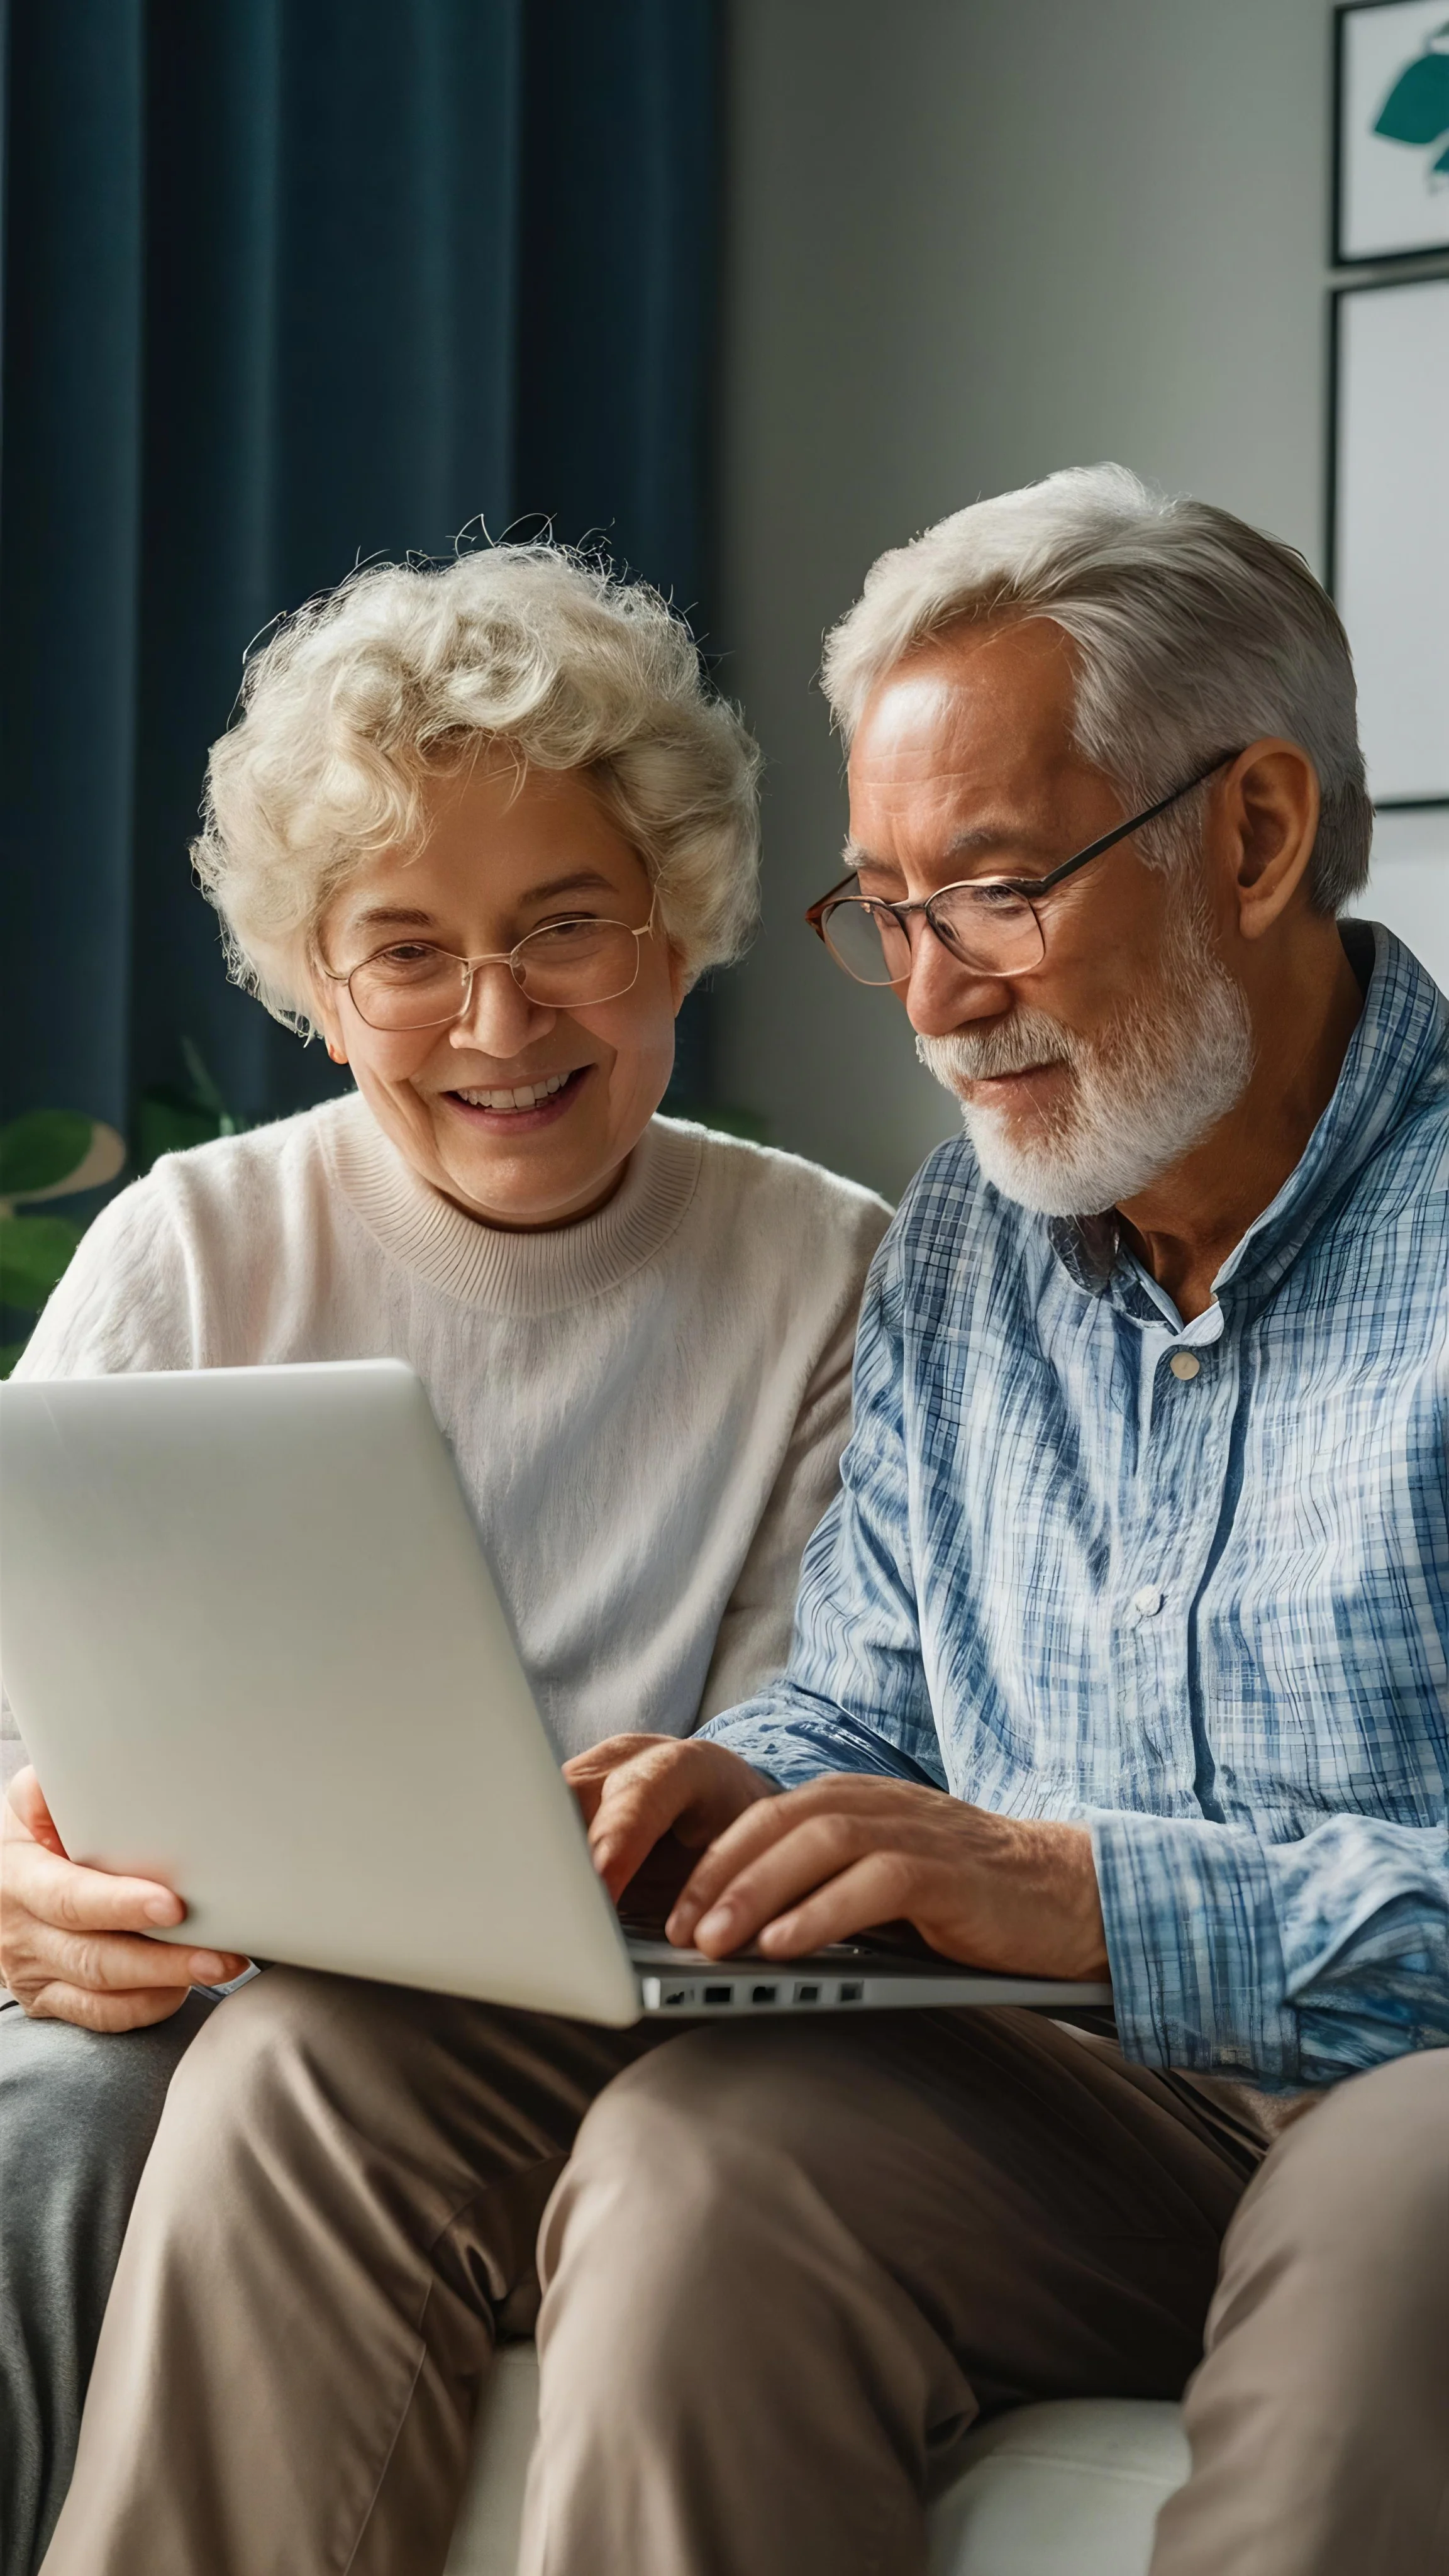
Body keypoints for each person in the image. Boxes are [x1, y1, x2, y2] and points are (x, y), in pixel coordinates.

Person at [26, 475, 1448, 2576]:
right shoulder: (980, 1242)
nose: (937, 997)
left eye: (994, 890)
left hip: (1394, 2084)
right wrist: (712, 1799)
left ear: (1252, 835)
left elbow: (1049, 1884)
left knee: (1399, 2205)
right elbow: (861, 1698)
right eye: (888, 913)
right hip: (1078, 2099)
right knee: (655, 2144)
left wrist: (1084, 1895)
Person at [0, 545, 890, 2576]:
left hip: (599, 2031)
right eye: (406, 951)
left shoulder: (829, 1272)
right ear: (320, 986)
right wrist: (23, 1891)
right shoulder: (188, 1248)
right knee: (48, 2135)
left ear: (680, 930)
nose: (499, 1020)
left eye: (567, 925)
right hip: (187, 1996)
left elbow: (806, 1739)